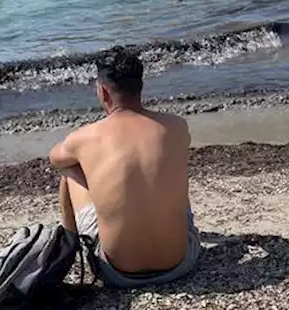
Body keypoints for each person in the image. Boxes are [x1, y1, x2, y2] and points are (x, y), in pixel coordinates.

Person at [49, 50, 199, 288]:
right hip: (180, 263)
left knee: (69, 171)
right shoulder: (176, 126)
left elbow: (55, 159)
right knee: (165, 164)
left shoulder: (86, 137)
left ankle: (69, 249)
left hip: (117, 272)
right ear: (140, 87)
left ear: (103, 91)